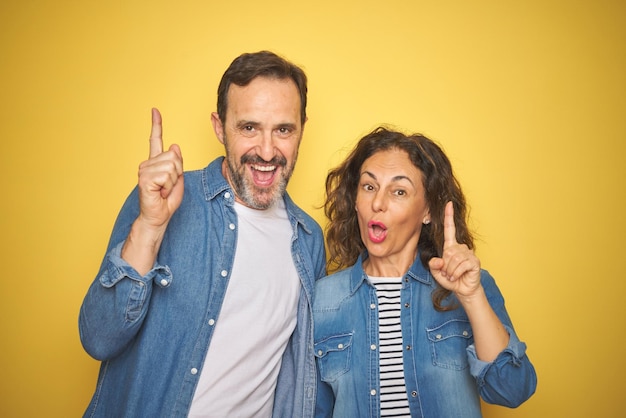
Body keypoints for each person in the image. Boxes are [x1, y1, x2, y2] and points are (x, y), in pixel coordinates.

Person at [79, 51, 326, 418]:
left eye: (283, 130)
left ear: (302, 128)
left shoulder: (308, 239)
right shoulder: (162, 200)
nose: (267, 150)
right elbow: (98, 338)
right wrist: (149, 227)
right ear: (218, 126)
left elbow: (305, 375)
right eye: (249, 127)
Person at [313, 127, 537, 417]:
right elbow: (314, 409)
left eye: (399, 191)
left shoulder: (470, 286)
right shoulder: (322, 300)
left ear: (428, 211)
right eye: (369, 187)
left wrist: (471, 297)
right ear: (355, 199)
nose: (377, 203)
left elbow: (512, 390)